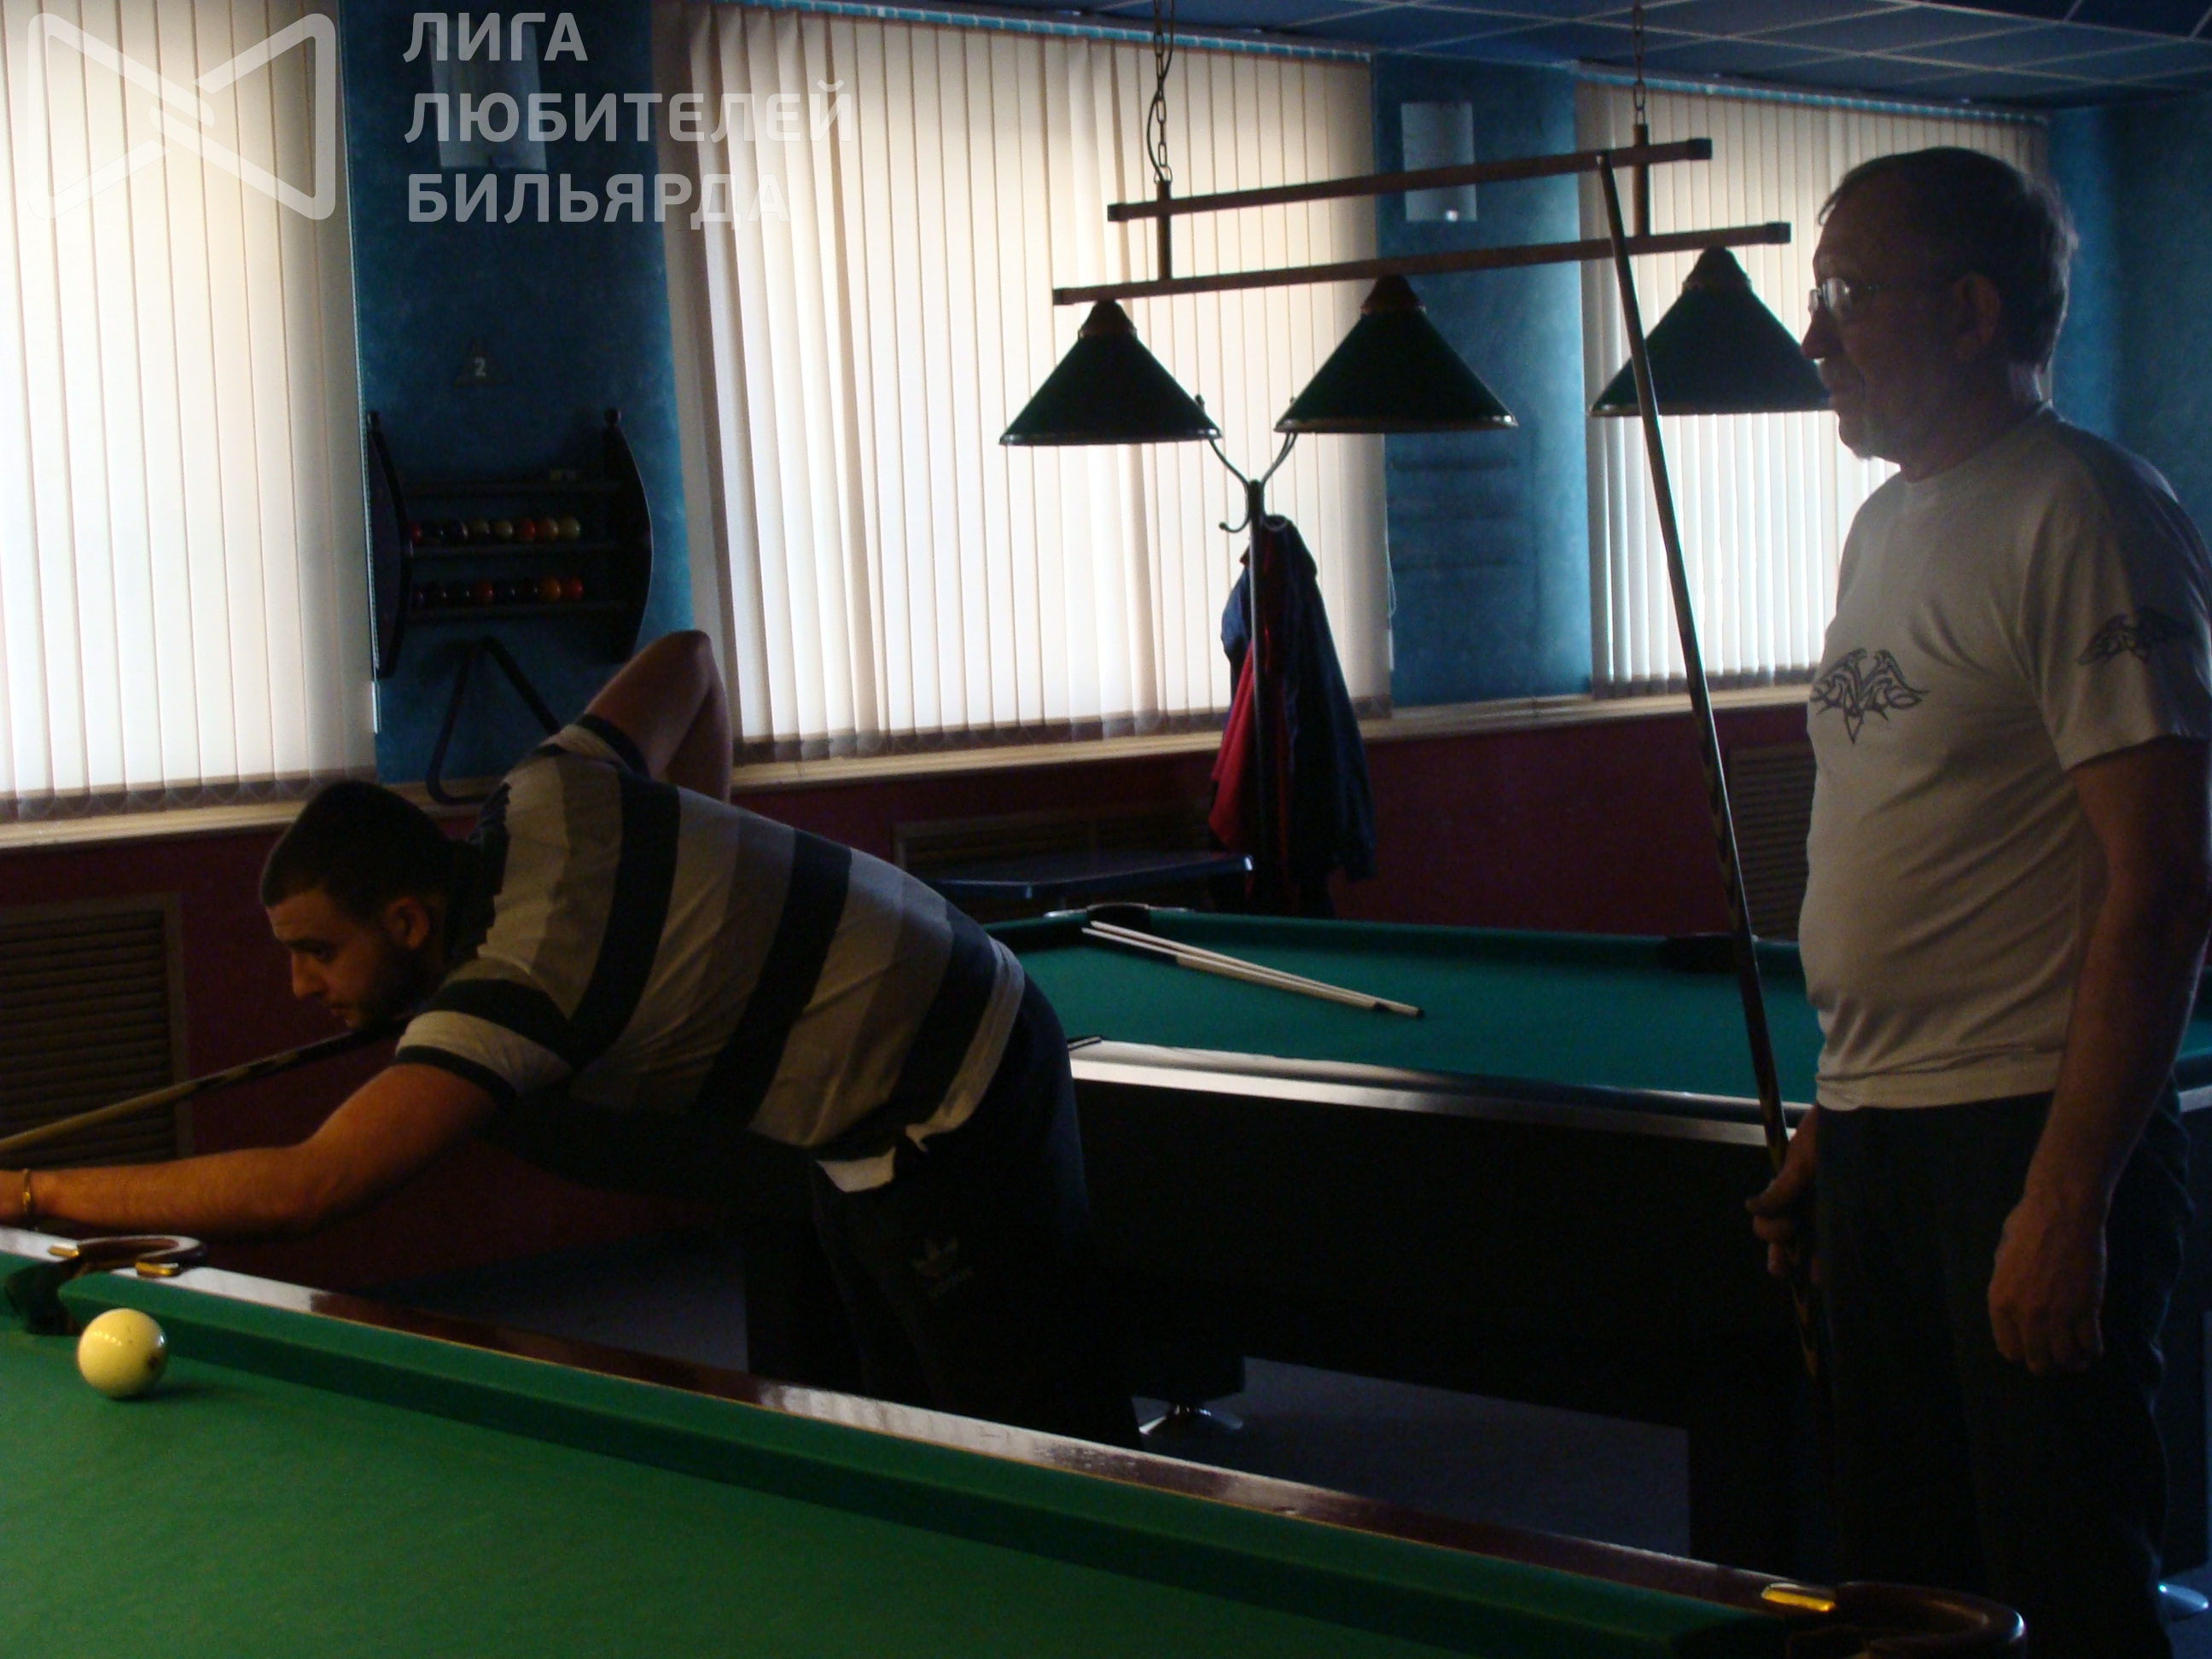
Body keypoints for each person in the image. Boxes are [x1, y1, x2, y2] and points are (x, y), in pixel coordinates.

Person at [3, 631, 1138, 1448]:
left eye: (318, 953)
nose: (303, 987)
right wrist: (711, 851)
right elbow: (689, 660)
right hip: (885, 1077)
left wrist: (32, 1191)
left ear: (408, 922)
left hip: (953, 1080)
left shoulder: (513, 995)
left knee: (1030, 1429)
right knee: (900, 1399)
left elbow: (313, 1187)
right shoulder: (546, 789)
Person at [1745, 148, 2212, 1654]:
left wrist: (2068, 1196)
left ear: (1968, 313)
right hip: (1887, 1135)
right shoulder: (1885, 524)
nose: (1812, 337)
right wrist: (1846, 1112)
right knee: (1906, 1595)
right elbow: (1919, 838)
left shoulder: (2085, 511)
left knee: (2061, 1591)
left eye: (1843, 296)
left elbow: (2163, 883)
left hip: (2024, 1138)